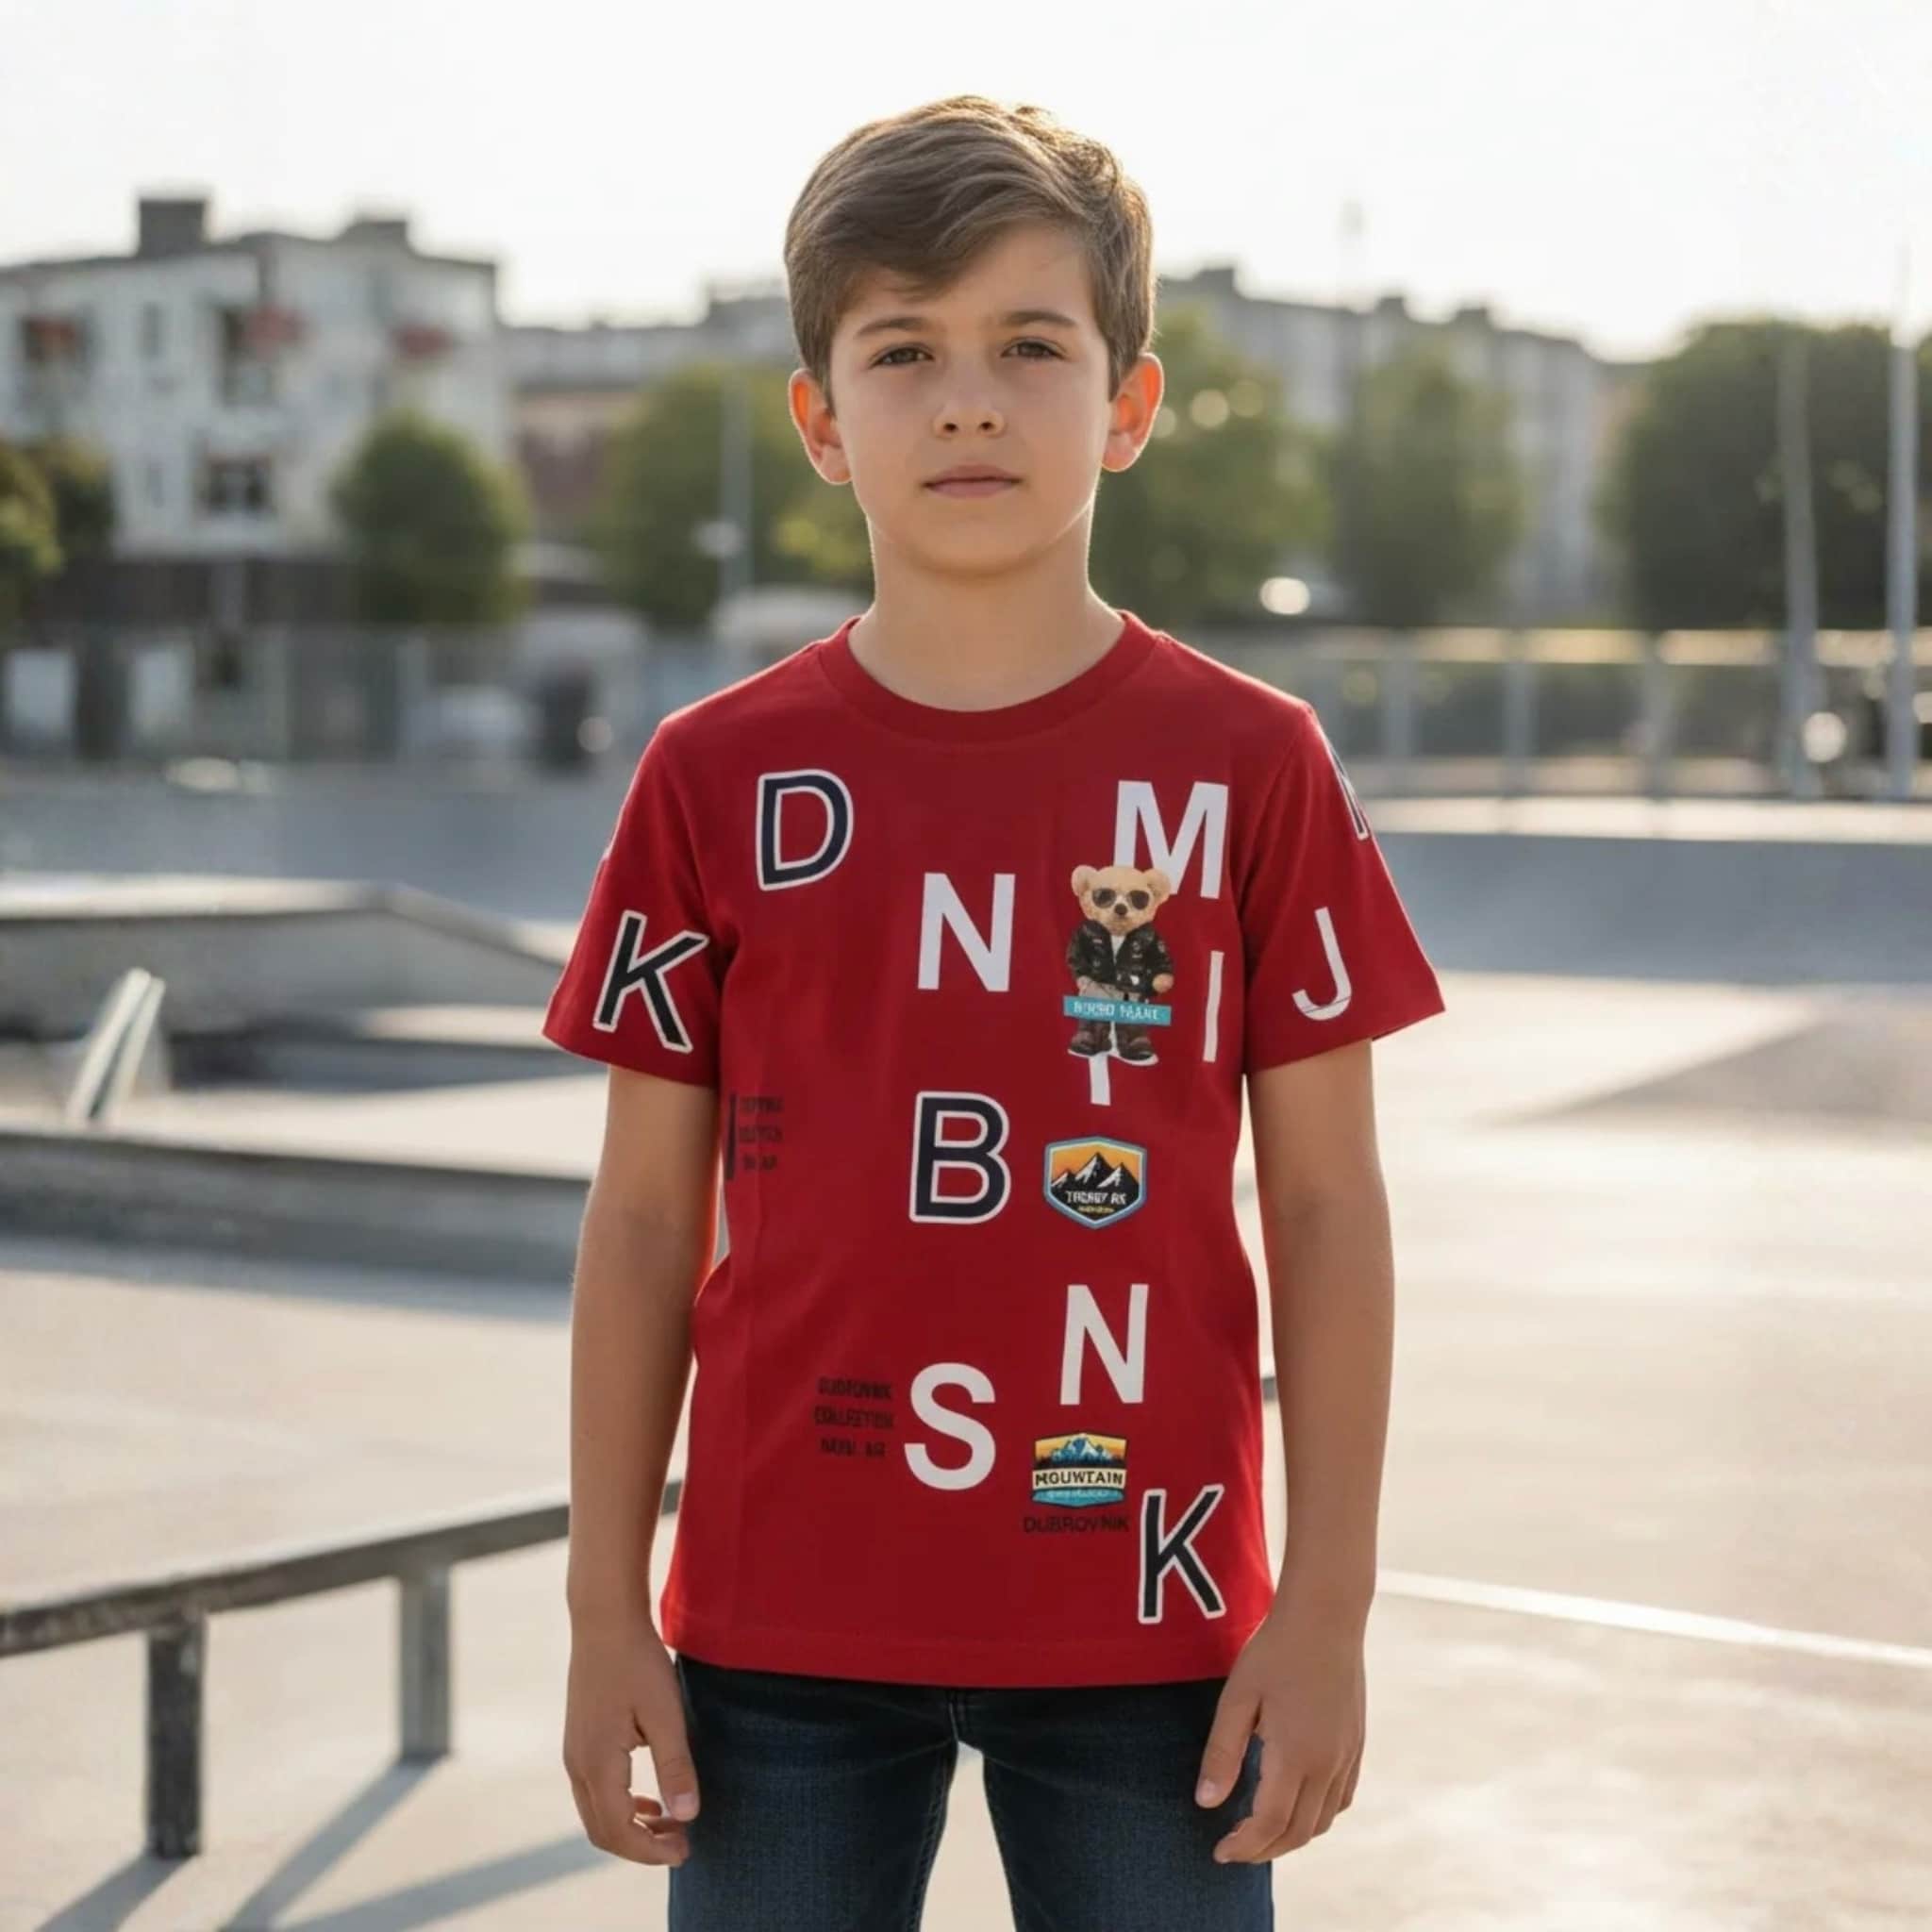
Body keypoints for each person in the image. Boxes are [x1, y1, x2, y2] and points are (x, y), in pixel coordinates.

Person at [544, 92, 1447, 1932]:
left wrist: (1328, 1601)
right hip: (777, 1626)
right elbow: (642, 1218)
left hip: (1148, 1620)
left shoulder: (1247, 766)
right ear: (820, 418)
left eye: (1031, 347)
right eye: (905, 351)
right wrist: (596, 1608)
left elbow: (1332, 1207)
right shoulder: (715, 777)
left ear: (1126, 401)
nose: (968, 398)